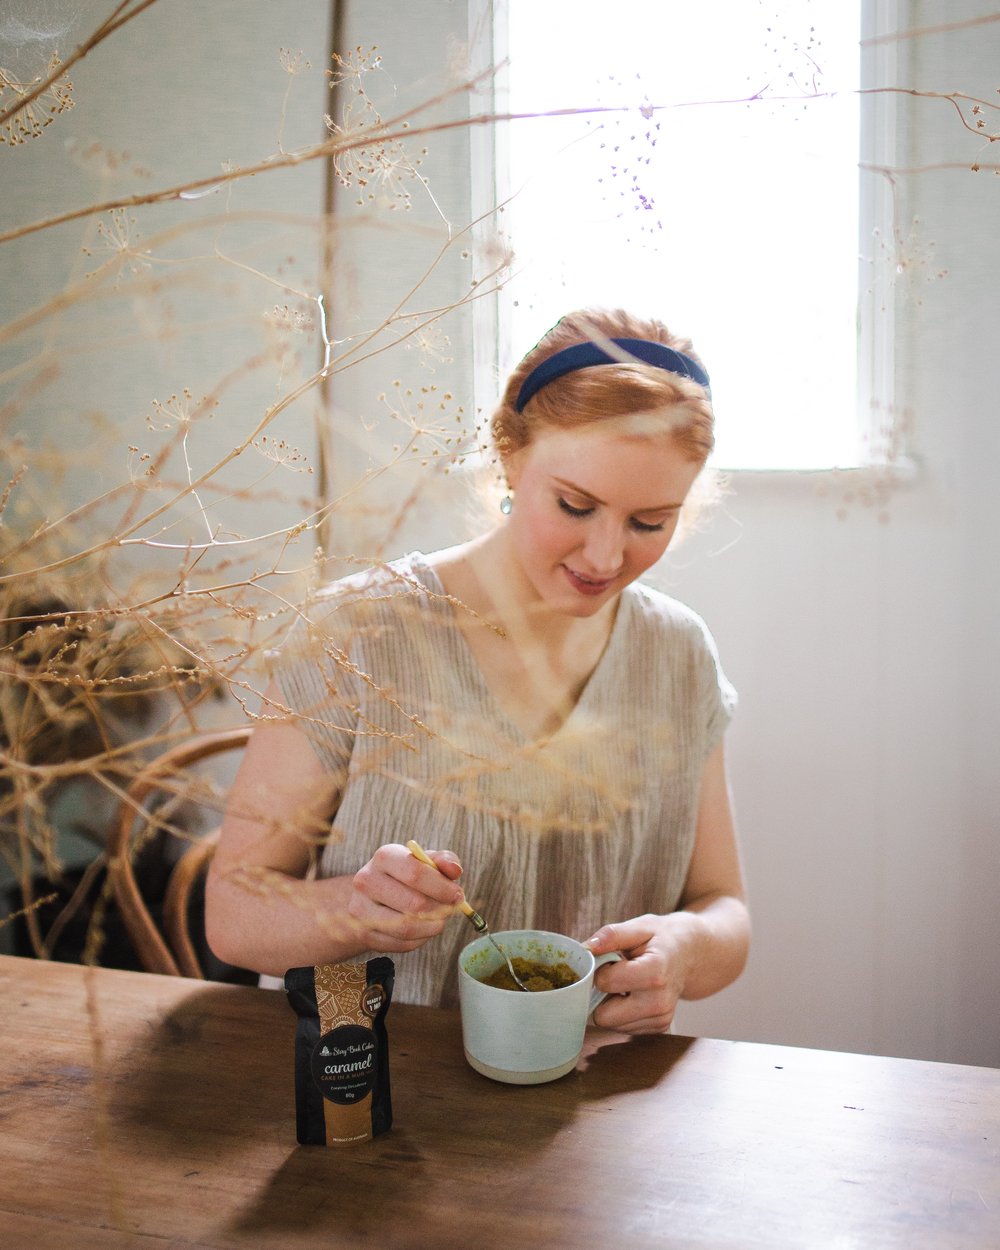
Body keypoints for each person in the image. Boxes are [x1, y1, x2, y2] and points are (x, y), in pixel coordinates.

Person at [205, 307, 750, 1035]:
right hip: (375, 1094)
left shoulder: (678, 655)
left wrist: (686, 951)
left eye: (650, 522)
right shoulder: (358, 634)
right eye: (575, 505)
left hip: (591, 1102)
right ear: (510, 456)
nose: (605, 557)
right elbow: (233, 917)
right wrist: (353, 910)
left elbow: (725, 908)